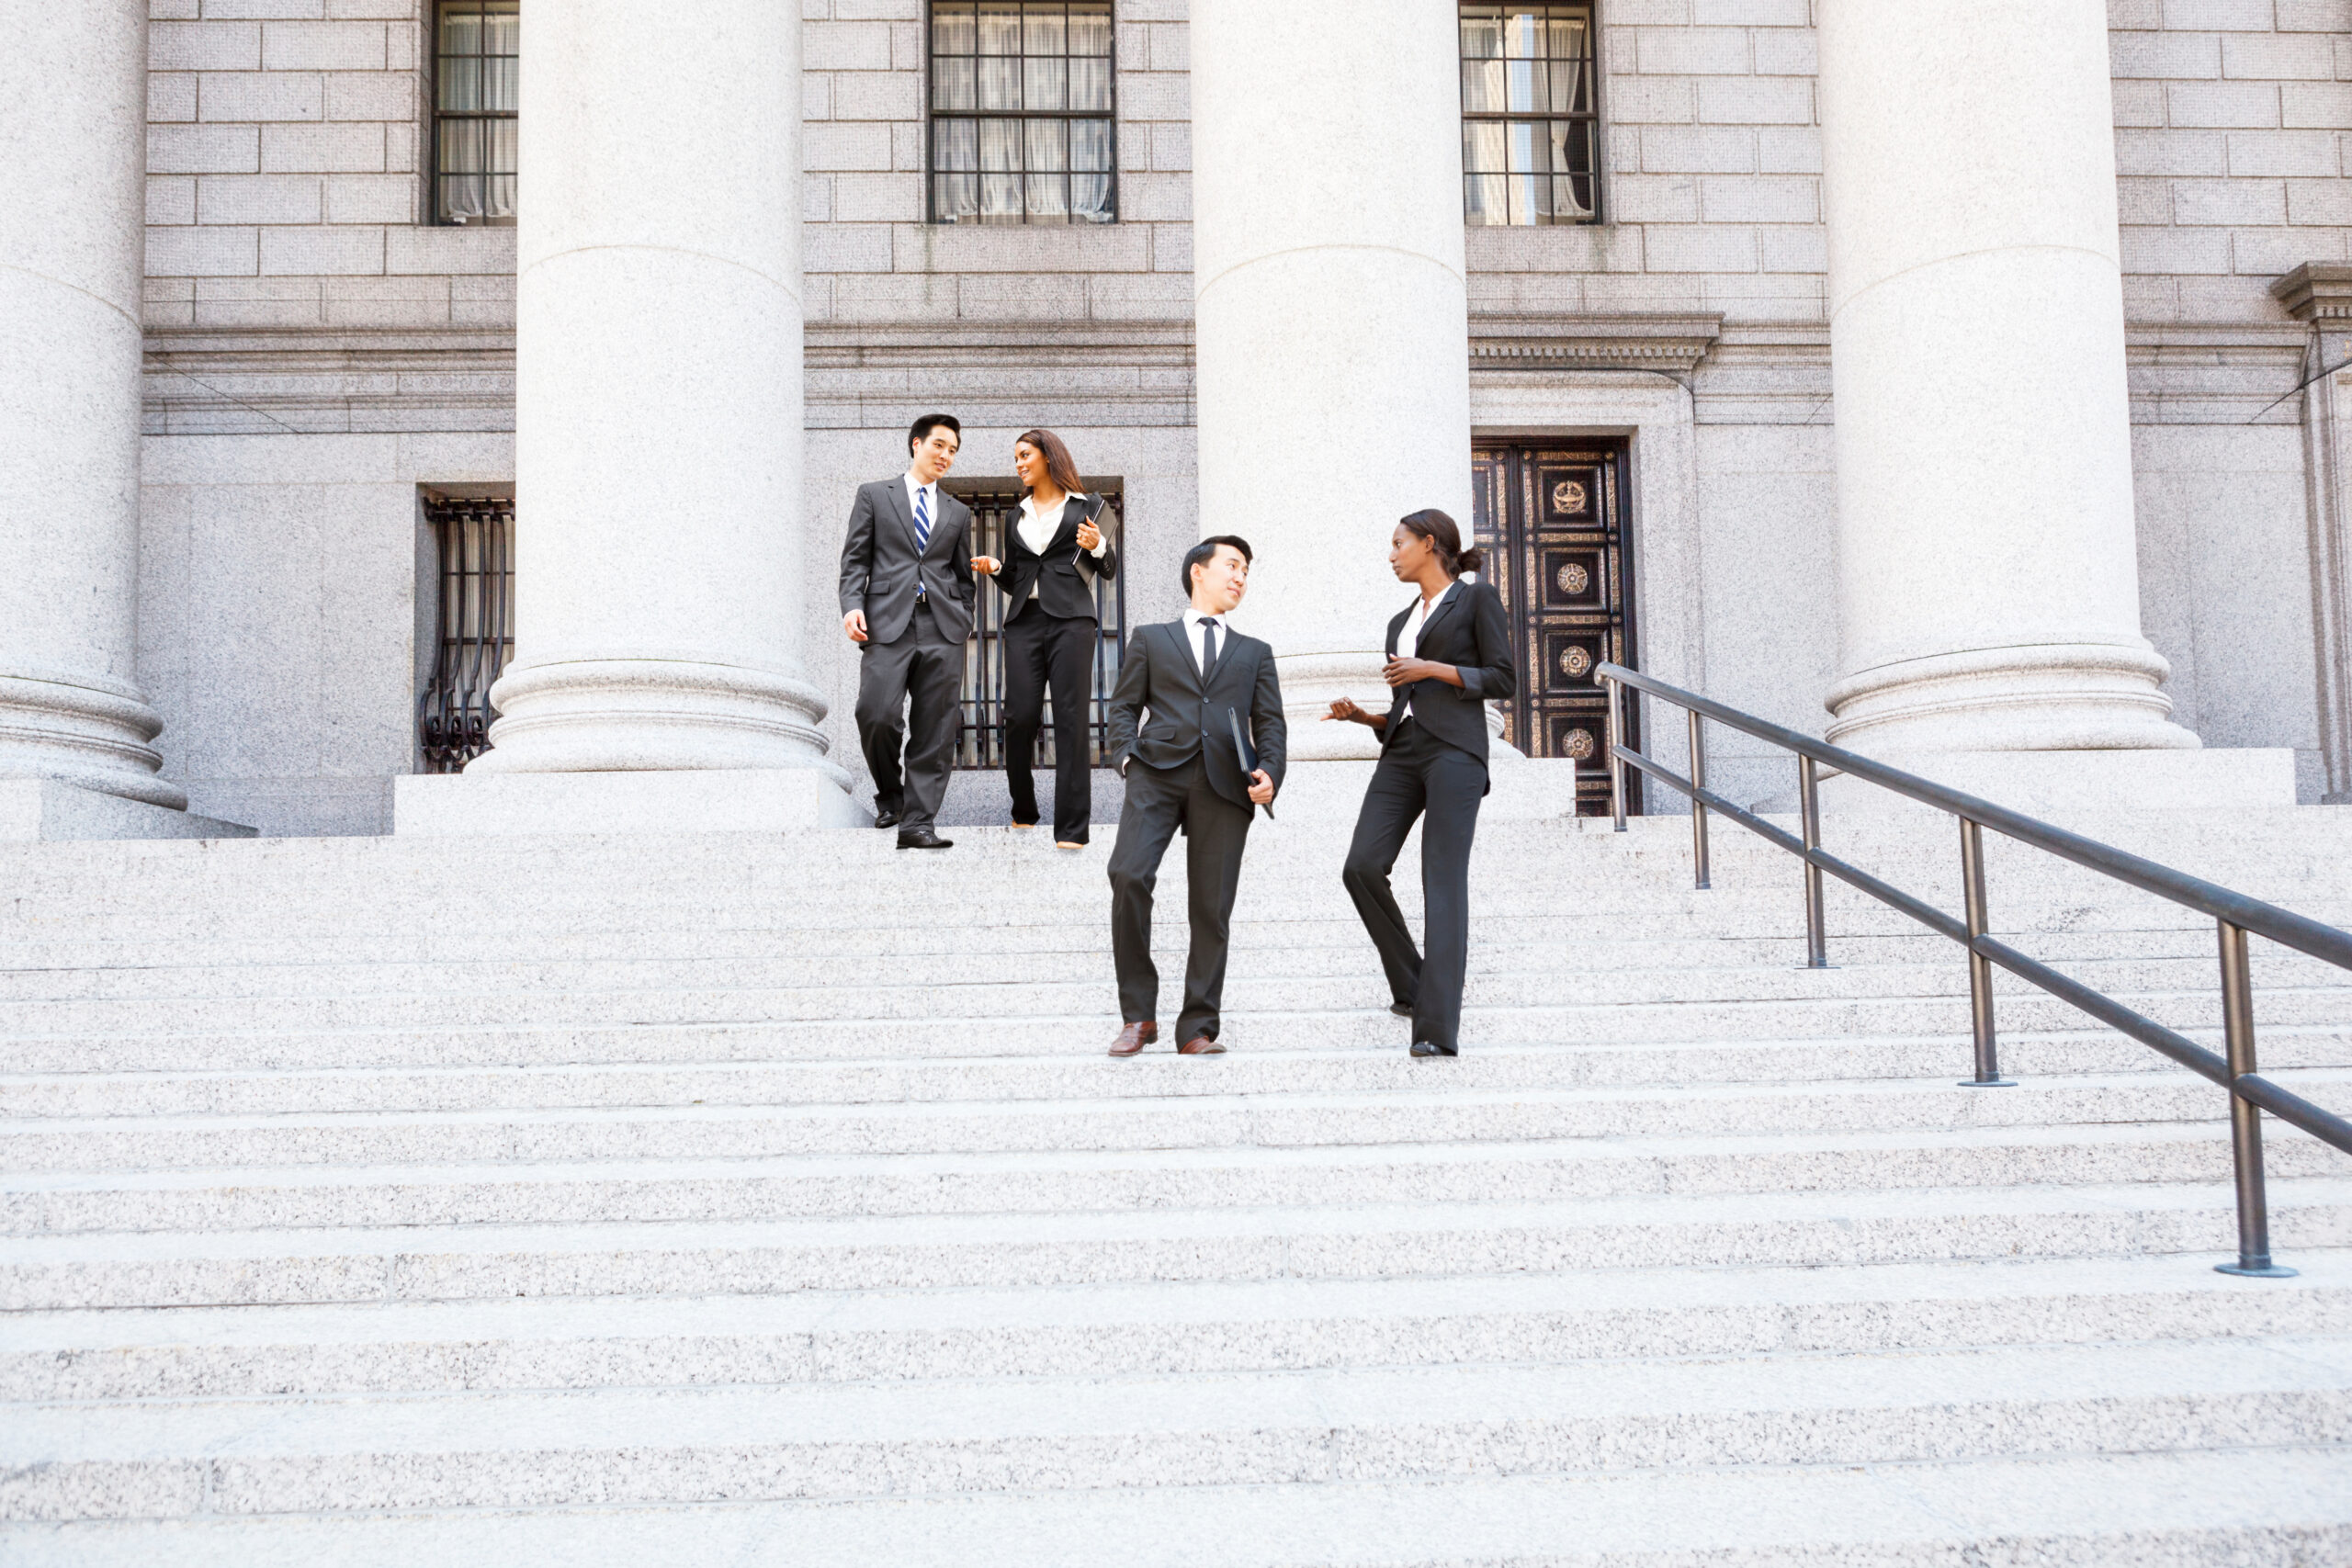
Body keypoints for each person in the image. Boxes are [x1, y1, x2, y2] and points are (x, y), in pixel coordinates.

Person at [1325, 509, 1516, 1057]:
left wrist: (1430, 669)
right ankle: (1411, 984)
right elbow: (1404, 705)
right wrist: (1363, 718)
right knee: (1360, 866)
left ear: (1429, 544)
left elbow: (1504, 679)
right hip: (1402, 751)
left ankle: (1435, 1028)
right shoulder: (1398, 622)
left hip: (1456, 751)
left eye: (1398, 543)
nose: (1391, 554)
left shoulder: (1476, 599)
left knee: (1442, 882)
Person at [1103, 536, 1283, 1056]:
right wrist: (1127, 757)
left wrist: (1271, 771)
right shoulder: (1152, 638)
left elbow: (1270, 723)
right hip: (1155, 775)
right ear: (1197, 572)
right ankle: (1139, 1017)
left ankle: (1197, 1027)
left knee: (1211, 907)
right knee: (1128, 875)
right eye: (1232, 565)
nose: (1240, 577)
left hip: (1226, 784)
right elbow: (1123, 707)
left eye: (1246, 570)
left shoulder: (1255, 652)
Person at [838, 412, 982, 851]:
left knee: (936, 728)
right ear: (916, 444)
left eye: (953, 451)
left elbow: (962, 576)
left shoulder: (958, 512)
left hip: (942, 626)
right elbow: (855, 561)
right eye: (940, 445)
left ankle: (917, 823)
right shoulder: (874, 496)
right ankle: (891, 795)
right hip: (887, 623)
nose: (946, 456)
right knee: (876, 713)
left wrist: (964, 617)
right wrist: (852, 607)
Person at [969, 429, 1120, 848]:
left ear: (1048, 457)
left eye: (1024, 455)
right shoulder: (1014, 515)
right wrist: (998, 569)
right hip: (1025, 623)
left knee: (1071, 719)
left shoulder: (1087, 506)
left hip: (1072, 621)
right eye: (1015, 457)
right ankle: (1024, 808)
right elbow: (1019, 577)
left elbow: (1107, 568)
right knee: (1018, 717)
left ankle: (1072, 829)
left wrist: (1096, 545)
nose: (1018, 464)